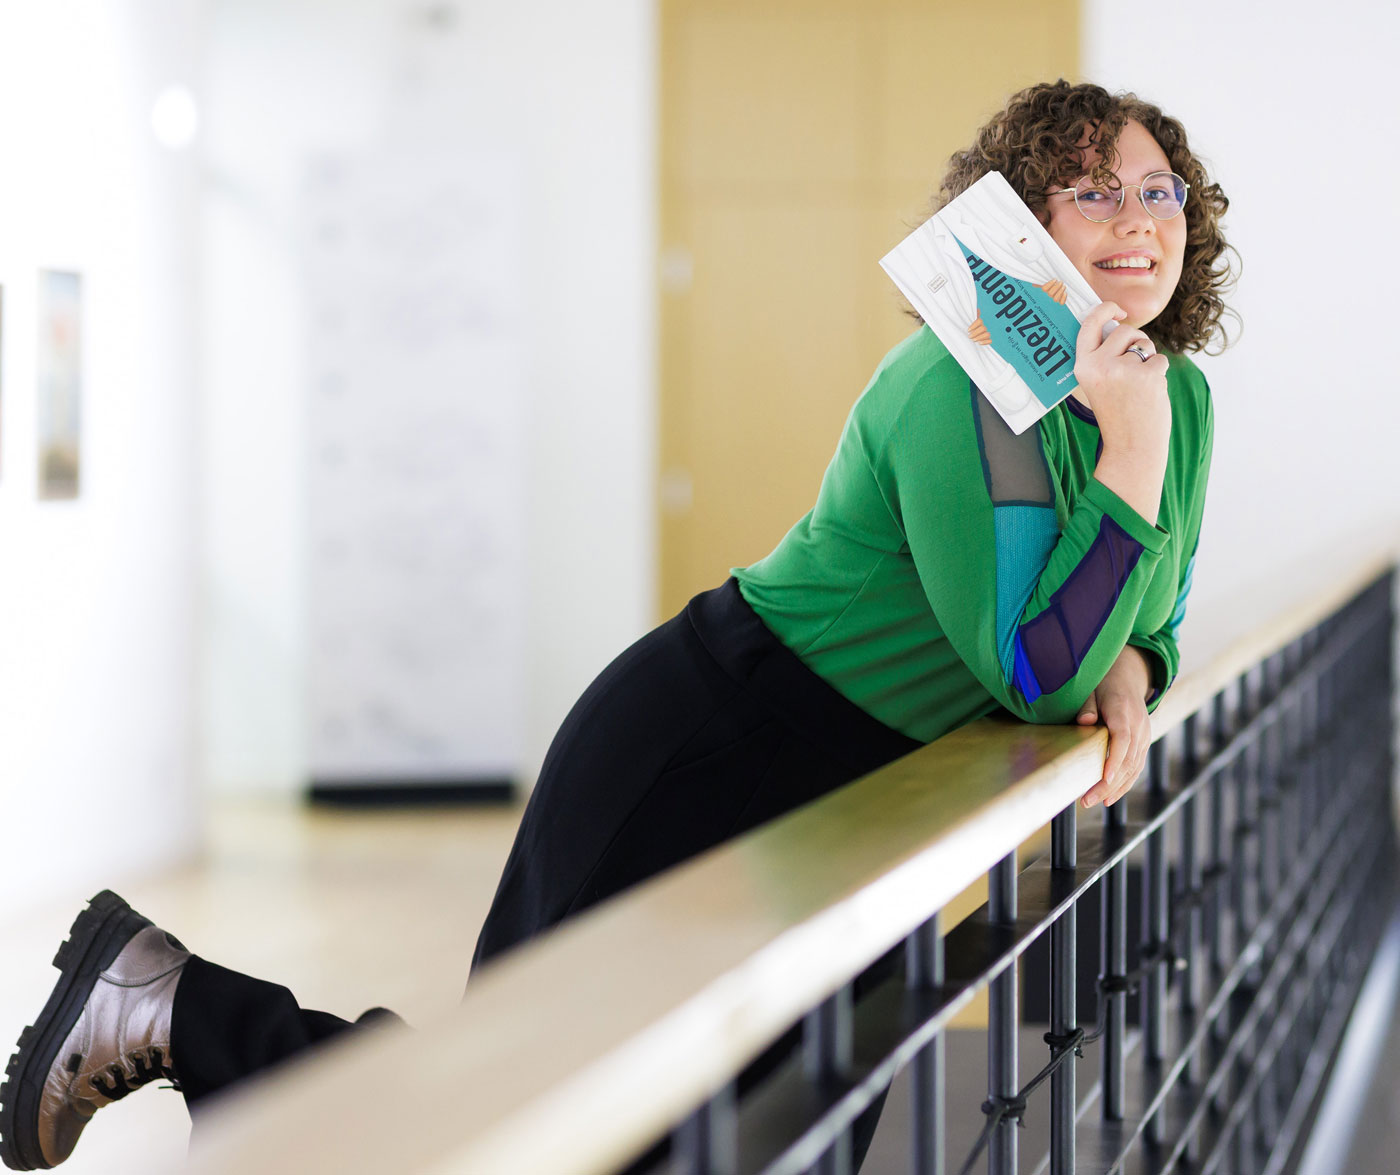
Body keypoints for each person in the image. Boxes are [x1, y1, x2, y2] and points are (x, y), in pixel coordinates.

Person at [0, 79, 1233, 1171]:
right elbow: (1032, 666)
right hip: (714, 749)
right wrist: (1125, 459)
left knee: (779, 1127)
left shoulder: (1173, 397)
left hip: (857, 801)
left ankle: (176, 1008)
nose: (1136, 217)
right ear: (1016, 224)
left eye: (1157, 189)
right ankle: (175, 1007)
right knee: (520, 1102)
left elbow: (1151, 606)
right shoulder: (959, 389)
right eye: (1090, 189)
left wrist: (1135, 660)